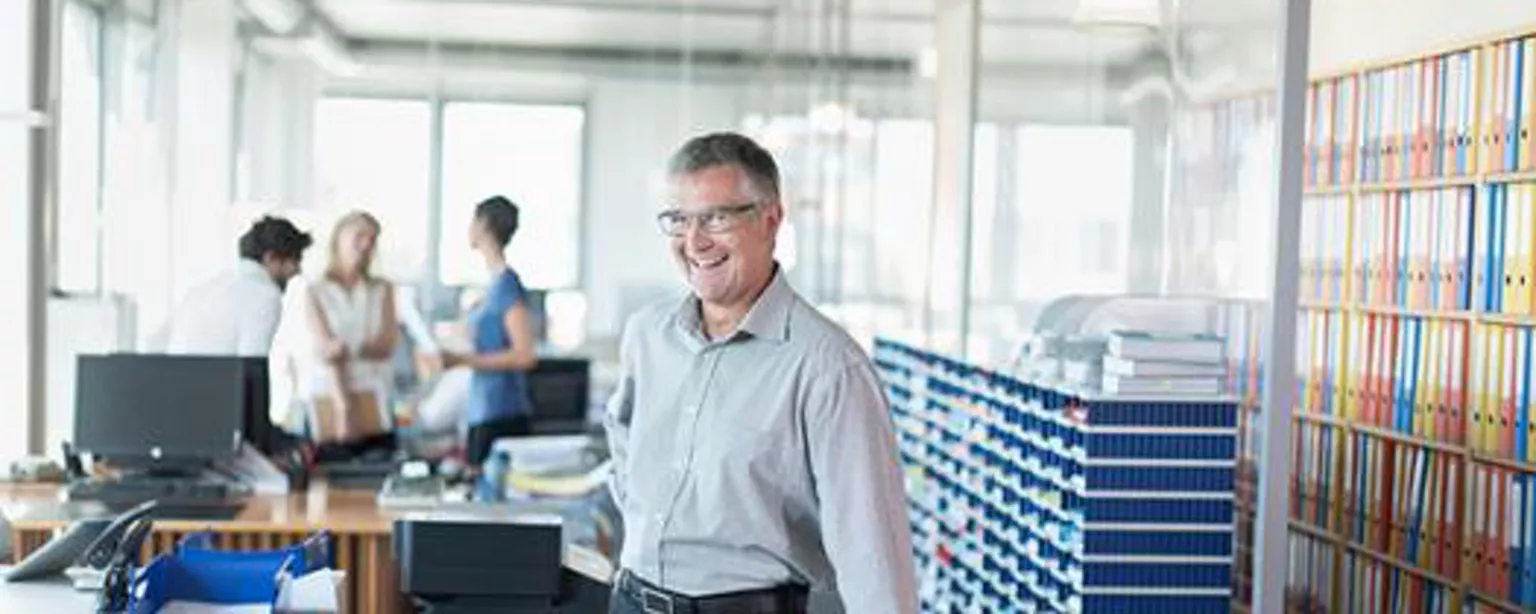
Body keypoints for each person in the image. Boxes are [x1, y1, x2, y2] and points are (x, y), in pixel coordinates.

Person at [603, 133, 919, 614]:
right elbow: (625, 456)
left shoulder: (829, 367)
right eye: (680, 220)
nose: (695, 241)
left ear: (770, 221)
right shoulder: (646, 337)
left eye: (716, 218)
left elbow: (871, 554)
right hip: (630, 601)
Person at [442, 196, 539, 469]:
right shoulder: (490, 287)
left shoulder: (507, 285)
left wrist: (459, 361)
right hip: (482, 410)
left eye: (472, 220)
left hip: (502, 412)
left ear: (483, 224)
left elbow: (524, 355)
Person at [300, 211, 397, 446]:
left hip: (375, 400)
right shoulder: (315, 291)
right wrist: (344, 408)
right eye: (359, 235)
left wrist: (344, 348)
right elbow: (327, 350)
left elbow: (385, 346)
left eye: (372, 239)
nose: (366, 245)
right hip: (328, 402)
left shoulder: (382, 289)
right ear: (338, 238)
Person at [167, 216, 312, 356]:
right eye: (295, 260)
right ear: (271, 257)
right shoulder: (265, 296)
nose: (298, 270)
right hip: (219, 380)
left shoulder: (203, 289)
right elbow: (251, 366)